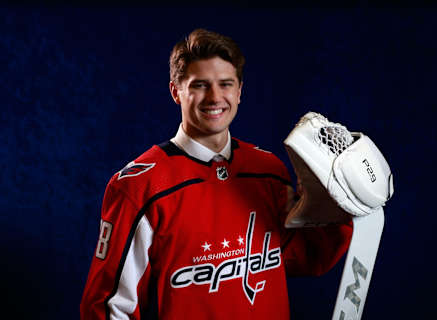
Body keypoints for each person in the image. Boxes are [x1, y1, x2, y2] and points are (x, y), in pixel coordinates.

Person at [80, 28, 353, 320]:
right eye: (199, 85)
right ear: (176, 91)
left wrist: (336, 204)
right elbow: (108, 309)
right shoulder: (140, 187)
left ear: (239, 91)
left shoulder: (268, 171)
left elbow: (307, 258)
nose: (214, 97)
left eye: (225, 84)